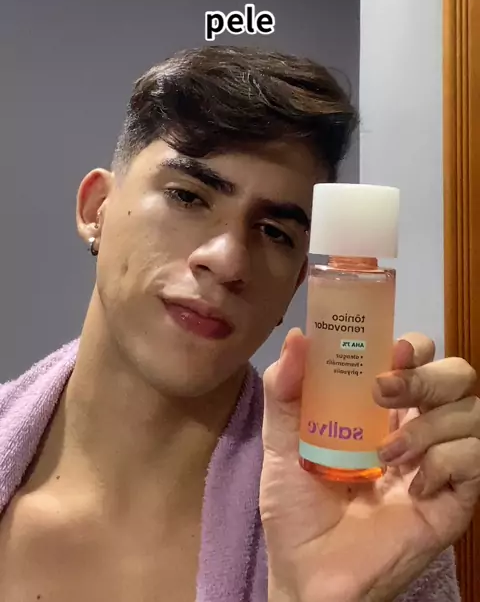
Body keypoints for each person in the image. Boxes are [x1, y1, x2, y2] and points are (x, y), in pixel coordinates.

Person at [0, 44, 478, 602]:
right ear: (95, 210)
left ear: (297, 284)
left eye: (275, 232)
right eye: (187, 197)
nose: (228, 262)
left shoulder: (360, 517)